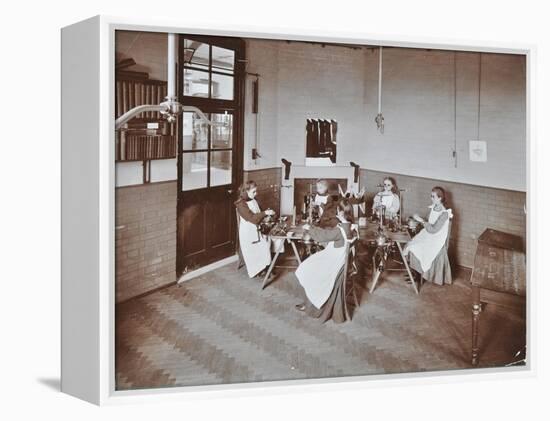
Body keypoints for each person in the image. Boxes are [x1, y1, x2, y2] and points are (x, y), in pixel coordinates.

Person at [294, 200, 357, 323]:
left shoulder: (340, 230)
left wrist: (309, 228)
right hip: (340, 261)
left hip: (333, 263)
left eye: (337, 211)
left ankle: (312, 304)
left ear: (340, 212)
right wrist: (314, 228)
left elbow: (322, 237)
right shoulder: (351, 227)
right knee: (310, 264)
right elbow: (327, 234)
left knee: (305, 268)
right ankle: (309, 302)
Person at [403, 186, 453, 285]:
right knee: (411, 244)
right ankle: (415, 273)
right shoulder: (434, 207)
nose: (431, 198)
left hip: (436, 238)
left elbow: (433, 230)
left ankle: (419, 275)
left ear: (440, 198)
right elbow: (429, 221)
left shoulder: (444, 213)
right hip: (428, 234)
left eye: (433, 196)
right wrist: (419, 219)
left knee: (415, 248)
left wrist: (421, 220)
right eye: (431, 196)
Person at [235, 181, 276, 278]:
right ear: (246, 191)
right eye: (253, 192)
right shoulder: (241, 204)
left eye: (256, 191)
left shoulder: (253, 200)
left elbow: (259, 213)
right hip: (248, 234)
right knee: (261, 246)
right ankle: (258, 270)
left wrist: (266, 216)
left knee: (267, 242)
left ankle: (265, 267)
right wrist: (265, 213)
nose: (256, 194)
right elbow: (252, 218)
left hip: (257, 229)